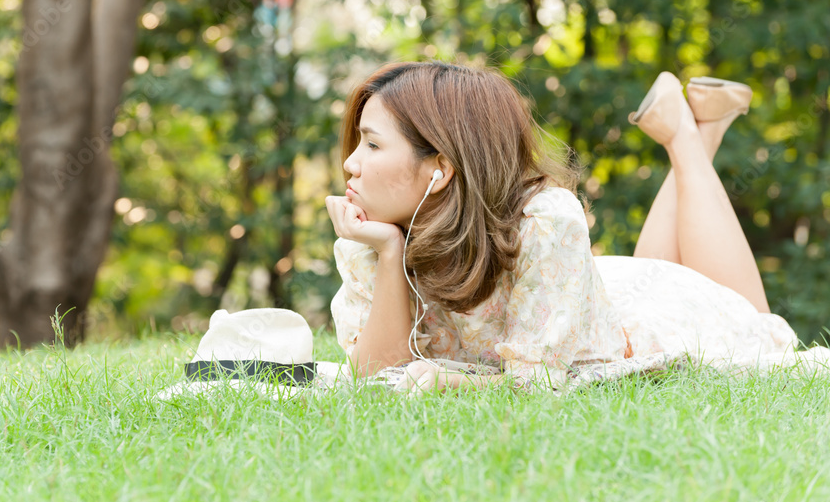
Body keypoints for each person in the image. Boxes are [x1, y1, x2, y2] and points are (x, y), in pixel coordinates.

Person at [325, 62, 800, 393]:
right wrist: (390, 253)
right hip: (599, 297)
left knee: (760, 326)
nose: (350, 162)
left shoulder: (545, 221)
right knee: (653, 267)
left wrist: (452, 384)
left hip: (655, 318)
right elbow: (375, 377)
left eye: (371, 145)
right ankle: (696, 129)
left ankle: (685, 135)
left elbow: (538, 385)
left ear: (441, 169)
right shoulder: (371, 235)